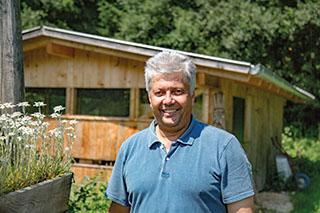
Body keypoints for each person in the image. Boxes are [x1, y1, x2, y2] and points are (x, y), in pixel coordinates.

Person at [105, 51, 255, 212]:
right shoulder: (130, 148)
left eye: (177, 91)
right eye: (159, 92)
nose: (168, 100)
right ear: (150, 98)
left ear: (191, 96)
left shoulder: (224, 147)